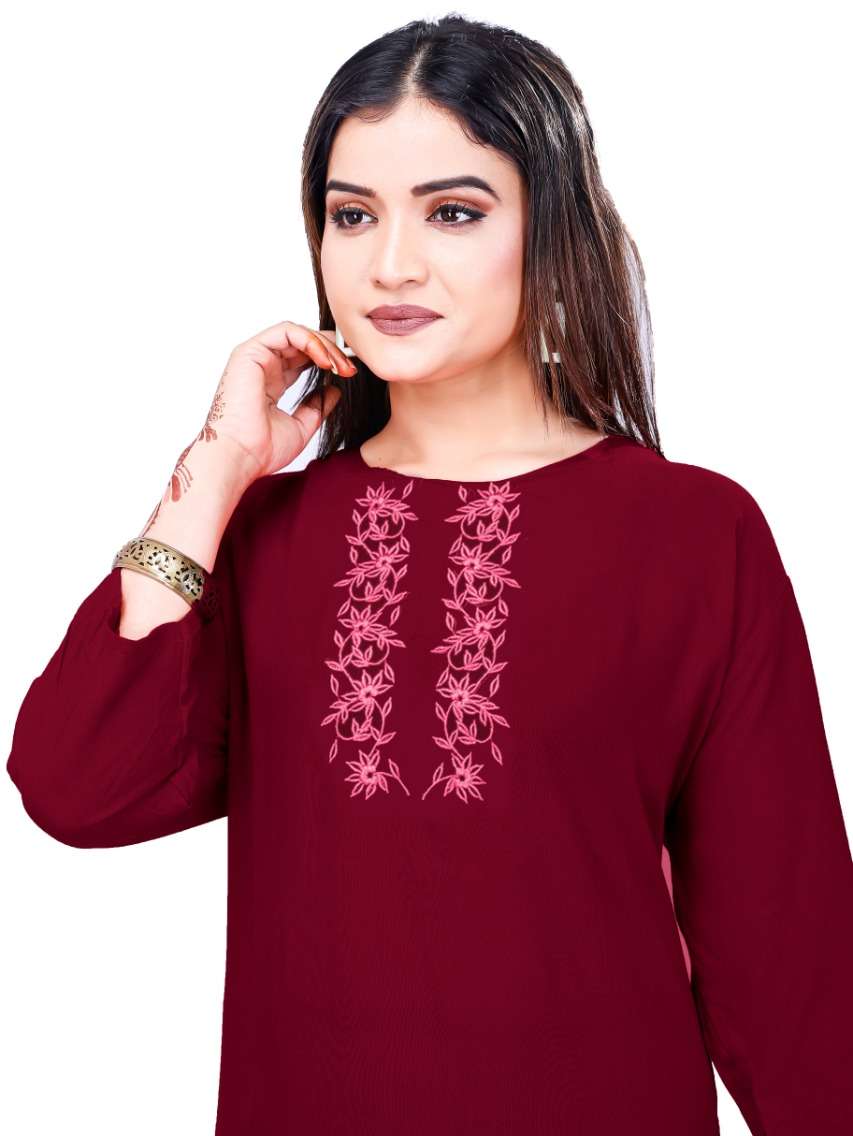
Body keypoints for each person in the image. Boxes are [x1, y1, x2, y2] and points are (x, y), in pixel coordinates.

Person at [7, 14, 853, 1136]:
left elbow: (787, 953)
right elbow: (78, 789)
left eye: (453, 212)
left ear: (550, 230)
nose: (389, 264)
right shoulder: (264, 537)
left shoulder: (693, 532)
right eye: (351, 214)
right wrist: (212, 476)